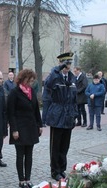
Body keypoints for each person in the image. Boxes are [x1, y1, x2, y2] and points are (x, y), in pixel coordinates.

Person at [7, 69, 43, 188]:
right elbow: (10, 113)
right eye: (30, 80)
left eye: (33, 81)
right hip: (20, 128)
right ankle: (21, 180)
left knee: (29, 155)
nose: (31, 83)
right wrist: (14, 130)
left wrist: (40, 125)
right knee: (20, 155)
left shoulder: (31, 91)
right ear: (23, 79)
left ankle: (28, 179)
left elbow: (36, 110)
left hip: (31, 127)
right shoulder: (14, 92)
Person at [45, 52, 78, 181]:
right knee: (55, 146)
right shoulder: (55, 76)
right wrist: (57, 70)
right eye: (65, 63)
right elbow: (48, 84)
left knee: (65, 145)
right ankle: (55, 171)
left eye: (69, 63)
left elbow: (74, 99)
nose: (67, 66)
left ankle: (62, 169)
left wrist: (75, 115)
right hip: (57, 115)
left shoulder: (72, 78)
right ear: (60, 64)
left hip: (68, 115)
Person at [0, 71, 8, 167]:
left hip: (1, 119)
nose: (0, 80)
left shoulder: (2, 90)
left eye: (1, 79)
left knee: (0, 140)